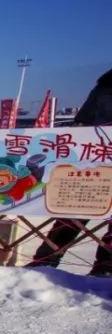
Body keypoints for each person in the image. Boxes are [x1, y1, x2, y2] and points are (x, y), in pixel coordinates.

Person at [29, 68, 112, 277]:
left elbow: (81, 121)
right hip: (95, 159)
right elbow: (82, 122)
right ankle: (45, 261)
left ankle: (105, 268)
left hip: (94, 158)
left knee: (73, 213)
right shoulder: (106, 85)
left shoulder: (104, 85)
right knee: (74, 209)